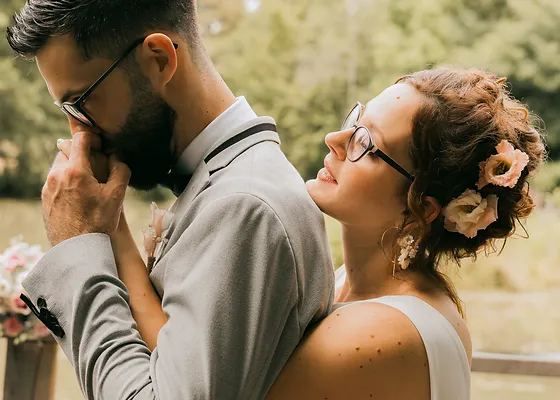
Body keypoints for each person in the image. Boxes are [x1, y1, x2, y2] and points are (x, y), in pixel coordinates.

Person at [89, 67, 545, 400]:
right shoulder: (350, 283)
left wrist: (109, 229)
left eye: (368, 144)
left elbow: (187, 382)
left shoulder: (385, 331)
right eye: (355, 121)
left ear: (420, 207)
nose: (335, 139)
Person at [6, 1, 334, 399]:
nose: (78, 132)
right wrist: (105, 227)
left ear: (158, 59)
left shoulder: (244, 207)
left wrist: (76, 247)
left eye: (82, 102)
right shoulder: (224, 185)